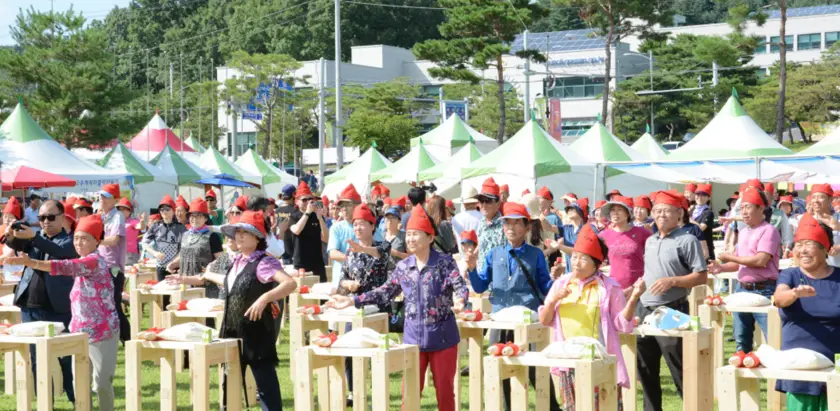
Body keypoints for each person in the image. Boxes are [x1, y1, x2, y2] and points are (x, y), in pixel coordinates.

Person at [328, 205, 469, 411]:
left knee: (445, 392)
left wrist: (460, 300)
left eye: (416, 235)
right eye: (409, 234)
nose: (410, 239)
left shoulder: (445, 263)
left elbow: (459, 285)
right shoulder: (404, 267)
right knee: (409, 393)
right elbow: (384, 291)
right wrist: (351, 301)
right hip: (412, 340)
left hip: (443, 338)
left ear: (430, 238)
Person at [4, 214, 121, 411]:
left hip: (104, 333)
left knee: (101, 384)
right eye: (76, 238)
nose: (79, 242)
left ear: (97, 241)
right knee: (79, 385)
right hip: (80, 332)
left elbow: (65, 266)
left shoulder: (93, 262)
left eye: (85, 238)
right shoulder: (83, 260)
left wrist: (32, 263)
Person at [466, 202, 562, 411]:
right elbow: (480, 286)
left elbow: (545, 287)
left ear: (527, 228)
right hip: (500, 318)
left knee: (537, 369)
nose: (510, 227)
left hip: (528, 319)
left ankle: (552, 407)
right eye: (507, 223)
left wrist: (555, 279)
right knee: (500, 368)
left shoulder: (535, 254)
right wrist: (472, 268)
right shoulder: (494, 254)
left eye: (517, 223)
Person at [541, 224, 645, 410]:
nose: (576, 262)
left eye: (583, 258)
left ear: (596, 263)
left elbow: (623, 325)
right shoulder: (561, 283)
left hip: (599, 360)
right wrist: (554, 300)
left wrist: (634, 298)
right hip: (568, 360)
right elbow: (544, 319)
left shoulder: (609, 287)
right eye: (574, 257)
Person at [207, 210, 296, 411]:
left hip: (256, 333)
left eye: (244, 232)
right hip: (231, 332)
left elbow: (289, 284)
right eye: (237, 231)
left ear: (256, 238)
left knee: (266, 388)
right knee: (229, 388)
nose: (238, 235)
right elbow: (231, 285)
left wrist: (264, 298)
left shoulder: (264, 262)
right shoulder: (236, 260)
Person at [638, 190, 708, 411]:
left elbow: (701, 276)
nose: (661, 215)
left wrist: (672, 281)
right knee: (645, 369)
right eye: (657, 211)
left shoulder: (687, 240)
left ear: (679, 213)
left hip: (672, 310)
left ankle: (692, 406)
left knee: (679, 367)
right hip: (644, 310)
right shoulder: (649, 241)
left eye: (667, 211)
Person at [7, 200, 77, 403]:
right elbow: (18, 245)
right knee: (37, 359)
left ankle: (77, 400)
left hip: (57, 307)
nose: (45, 221)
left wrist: (33, 236)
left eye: (50, 217)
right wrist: (13, 233)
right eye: (41, 218)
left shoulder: (70, 241)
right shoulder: (37, 239)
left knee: (66, 357)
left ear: (63, 217)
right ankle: (46, 403)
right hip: (30, 305)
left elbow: (57, 252)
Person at [773, 213, 840, 411]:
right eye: (799, 244)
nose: (802, 250)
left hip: (835, 367)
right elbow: (779, 298)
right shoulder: (789, 275)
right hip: (799, 369)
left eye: (809, 244)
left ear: (825, 249)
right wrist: (794, 294)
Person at [709, 187, 780, 353]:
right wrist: (720, 267)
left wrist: (730, 258)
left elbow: (760, 260)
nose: (744, 212)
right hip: (743, 288)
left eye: (748, 207)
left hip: (764, 290)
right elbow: (740, 263)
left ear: (761, 208)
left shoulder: (769, 231)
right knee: (741, 340)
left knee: (773, 338)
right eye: (742, 208)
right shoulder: (743, 232)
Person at [335, 204, 392, 404]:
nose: (358, 228)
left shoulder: (383, 245)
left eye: (362, 224)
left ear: (372, 226)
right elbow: (341, 279)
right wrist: (347, 283)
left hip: (377, 306)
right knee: (350, 345)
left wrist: (363, 249)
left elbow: (380, 255)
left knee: (376, 351)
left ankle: (377, 391)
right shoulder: (351, 253)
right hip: (355, 305)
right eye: (355, 224)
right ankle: (353, 391)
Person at [165, 198, 225, 297]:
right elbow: (183, 254)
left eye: (198, 216)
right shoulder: (185, 235)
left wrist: (210, 269)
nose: (194, 219)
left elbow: (221, 259)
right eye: (192, 216)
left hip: (206, 286)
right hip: (186, 284)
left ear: (205, 218)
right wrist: (173, 263)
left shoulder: (212, 237)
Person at [598, 196, 652, 297]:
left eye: (619, 210)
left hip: (639, 289)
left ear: (628, 213)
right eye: (613, 210)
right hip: (614, 288)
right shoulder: (604, 235)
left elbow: (654, 258)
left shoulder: (642, 233)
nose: (615, 213)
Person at [96, 183, 130, 341]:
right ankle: (109, 336)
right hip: (100, 265)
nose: (101, 199)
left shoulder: (118, 216)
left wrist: (95, 241)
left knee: (114, 304)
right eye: (101, 196)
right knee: (103, 304)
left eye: (105, 197)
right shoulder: (100, 215)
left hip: (113, 267)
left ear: (114, 200)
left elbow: (115, 240)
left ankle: (127, 338)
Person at [141, 195, 187, 282]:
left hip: (176, 266)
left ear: (173, 210)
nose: (164, 211)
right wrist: (155, 253)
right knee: (162, 293)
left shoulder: (181, 228)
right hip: (160, 267)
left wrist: (174, 262)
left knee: (176, 292)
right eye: (161, 209)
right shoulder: (155, 226)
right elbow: (144, 242)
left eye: (167, 209)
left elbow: (185, 248)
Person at [290, 181, 328, 281]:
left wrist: (320, 218)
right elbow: (296, 230)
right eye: (304, 200)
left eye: (310, 199)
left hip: (317, 263)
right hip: (301, 264)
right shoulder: (294, 215)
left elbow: (326, 238)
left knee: (321, 293)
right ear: (297, 201)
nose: (308, 202)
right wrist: (307, 213)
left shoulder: (317, 216)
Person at [327, 184, 363, 288]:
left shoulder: (368, 226)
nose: (344, 209)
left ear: (357, 206)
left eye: (348, 205)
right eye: (342, 206)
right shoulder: (336, 228)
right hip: (341, 282)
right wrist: (354, 258)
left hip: (363, 281)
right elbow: (332, 254)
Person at [475, 178, 506, 272]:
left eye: (487, 200)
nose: (483, 205)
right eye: (481, 200)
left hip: (499, 277)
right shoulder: (481, 223)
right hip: (482, 276)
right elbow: (480, 245)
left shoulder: (505, 224)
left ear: (498, 203)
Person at [554, 200, 592, 273]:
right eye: (568, 209)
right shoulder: (567, 228)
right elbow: (548, 227)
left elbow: (579, 253)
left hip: (583, 273)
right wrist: (540, 217)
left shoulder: (588, 230)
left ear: (581, 212)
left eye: (572, 209)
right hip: (570, 272)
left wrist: (559, 246)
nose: (569, 211)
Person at [452, 186, 481, 254]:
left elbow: (455, 237)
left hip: (463, 256)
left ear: (464, 203)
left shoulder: (455, 218)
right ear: (476, 202)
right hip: (480, 255)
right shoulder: (483, 217)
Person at [691, 184, 716, 260]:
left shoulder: (708, 212)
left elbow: (701, 228)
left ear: (708, 198)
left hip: (705, 248)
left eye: (703, 195)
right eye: (698, 194)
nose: (700, 197)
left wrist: (690, 220)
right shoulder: (692, 210)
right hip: (692, 246)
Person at [116, 198, 143, 266]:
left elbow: (140, 226)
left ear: (129, 211)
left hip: (130, 254)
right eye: (119, 209)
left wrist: (142, 221)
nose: (121, 211)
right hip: (116, 253)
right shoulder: (115, 222)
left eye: (124, 209)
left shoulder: (133, 222)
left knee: (129, 274)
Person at [275, 185, 297, 265]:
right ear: (293, 194)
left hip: (283, 248)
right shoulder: (294, 210)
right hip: (294, 249)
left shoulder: (277, 211)